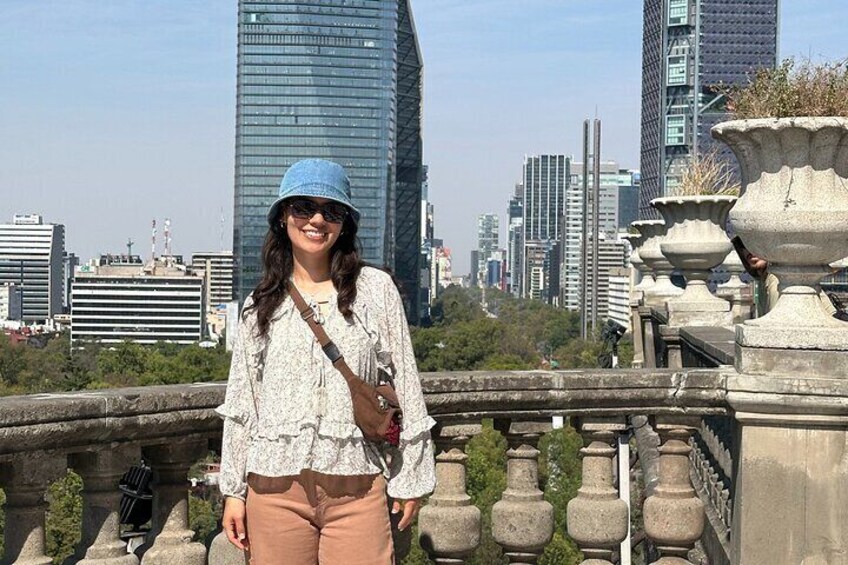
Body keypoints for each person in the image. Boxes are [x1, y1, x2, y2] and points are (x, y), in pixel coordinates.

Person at [216, 159, 436, 564]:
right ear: (283, 217)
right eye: (304, 208)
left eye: (331, 211)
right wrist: (233, 491)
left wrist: (411, 476)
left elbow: (407, 381)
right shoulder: (260, 304)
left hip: (358, 486)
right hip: (274, 489)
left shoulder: (375, 290)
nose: (317, 220)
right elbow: (243, 402)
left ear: (344, 224)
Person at [731, 236, 839, 318]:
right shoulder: (764, 280)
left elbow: (776, 325)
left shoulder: (776, 280)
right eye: (743, 246)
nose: (749, 250)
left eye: (755, 244)